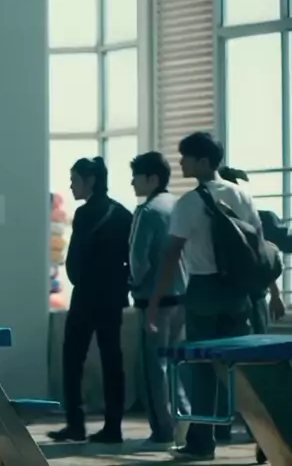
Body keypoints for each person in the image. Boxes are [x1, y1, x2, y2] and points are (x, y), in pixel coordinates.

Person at [148, 132, 260, 461]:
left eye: (186, 157)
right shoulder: (241, 195)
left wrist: (154, 303)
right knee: (242, 369)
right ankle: (265, 436)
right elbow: (258, 243)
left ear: (203, 162)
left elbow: (171, 256)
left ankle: (201, 441)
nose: (181, 162)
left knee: (201, 369)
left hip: (203, 290)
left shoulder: (188, 203)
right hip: (238, 291)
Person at [48, 157, 133, 444]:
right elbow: (131, 258)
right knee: (112, 361)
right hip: (113, 297)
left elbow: (74, 261)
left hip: (86, 297)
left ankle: (76, 424)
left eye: (75, 180)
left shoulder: (85, 214)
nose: (71, 186)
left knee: (73, 360)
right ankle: (113, 426)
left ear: (90, 181)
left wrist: (79, 278)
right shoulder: (122, 214)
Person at [217, 165, 286, 463]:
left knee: (251, 363)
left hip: (246, 298)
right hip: (241, 298)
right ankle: (253, 429)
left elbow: (262, 259)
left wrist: (275, 293)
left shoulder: (249, 217)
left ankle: (256, 430)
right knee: (244, 363)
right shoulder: (239, 217)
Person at [128, 152, 190, 448]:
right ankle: (185, 421)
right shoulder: (178, 206)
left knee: (155, 369)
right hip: (182, 297)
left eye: (136, 177)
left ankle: (162, 430)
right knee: (177, 365)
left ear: (152, 179)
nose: (132, 182)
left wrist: (132, 282)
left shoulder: (147, 211)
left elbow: (138, 260)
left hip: (154, 300)